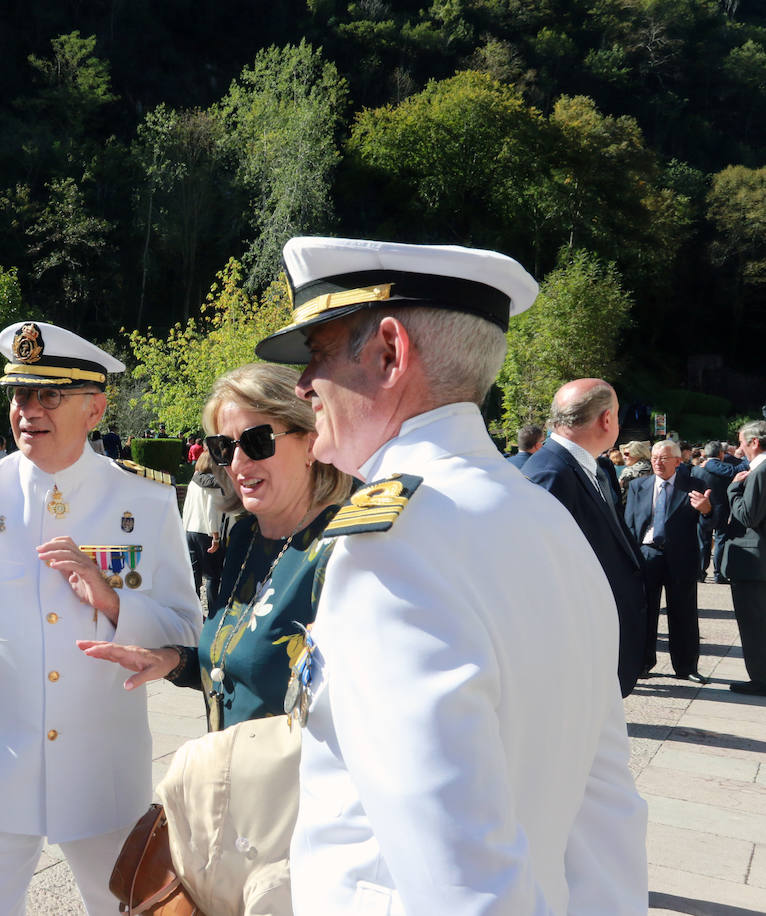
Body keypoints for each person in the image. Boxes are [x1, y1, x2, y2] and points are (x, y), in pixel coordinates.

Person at [251, 237, 646, 914]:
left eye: (316, 353)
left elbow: (458, 876)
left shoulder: (393, 545)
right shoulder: (548, 521)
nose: (302, 385)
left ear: (389, 353)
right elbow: (607, 814)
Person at [0, 320, 201, 916]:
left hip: (104, 769)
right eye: (21, 394)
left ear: (95, 409)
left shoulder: (145, 500)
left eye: (50, 395)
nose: (29, 410)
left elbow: (184, 628)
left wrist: (113, 601)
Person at [84, 362, 352, 730]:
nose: (238, 463)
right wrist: (173, 661)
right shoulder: (244, 538)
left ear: (311, 442)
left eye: (258, 442)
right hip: (233, 778)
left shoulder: (345, 550)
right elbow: (236, 668)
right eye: (224, 447)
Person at [524, 379, 646, 697]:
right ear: (607, 419)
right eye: (617, 415)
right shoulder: (550, 473)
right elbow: (541, 576)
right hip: (577, 655)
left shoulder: (590, 469)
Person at [624, 440, 712, 681]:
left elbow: (707, 524)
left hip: (681, 557)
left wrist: (706, 511)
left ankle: (686, 667)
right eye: (654, 458)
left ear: (677, 461)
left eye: (663, 458)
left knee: (683, 612)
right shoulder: (638, 486)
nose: (657, 462)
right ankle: (642, 664)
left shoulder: (694, 486)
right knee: (645, 612)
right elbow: (630, 525)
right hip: (647, 554)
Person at [725, 420, 766, 695]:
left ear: (754, 442)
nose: (739, 447)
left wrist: (733, 490)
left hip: (754, 563)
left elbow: (748, 515)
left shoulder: (760, 471)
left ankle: (761, 680)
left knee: (754, 625)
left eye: (741, 441)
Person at [179, 450, 230, 602]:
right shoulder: (214, 484)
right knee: (212, 576)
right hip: (206, 533)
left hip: (190, 530)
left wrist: (183, 529)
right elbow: (211, 511)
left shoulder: (194, 481)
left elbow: (186, 507)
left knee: (194, 575)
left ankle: (193, 611)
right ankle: (213, 613)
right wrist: (215, 536)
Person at [699, 440, 738, 583]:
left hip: (702, 509)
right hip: (722, 508)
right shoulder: (727, 469)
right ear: (721, 454)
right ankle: (718, 574)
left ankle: (700, 572)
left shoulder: (697, 470)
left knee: (703, 541)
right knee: (721, 540)